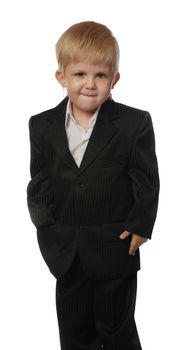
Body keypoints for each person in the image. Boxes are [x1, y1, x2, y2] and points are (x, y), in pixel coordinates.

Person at [26, 21, 160, 350]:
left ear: (114, 79)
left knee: (117, 328)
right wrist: (46, 226)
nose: (90, 84)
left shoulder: (133, 123)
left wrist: (141, 224)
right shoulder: (41, 125)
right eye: (80, 74)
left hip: (115, 246)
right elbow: (39, 179)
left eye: (100, 75)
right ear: (62, 77)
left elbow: (145, 179)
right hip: (66, 250)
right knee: (74, 330)